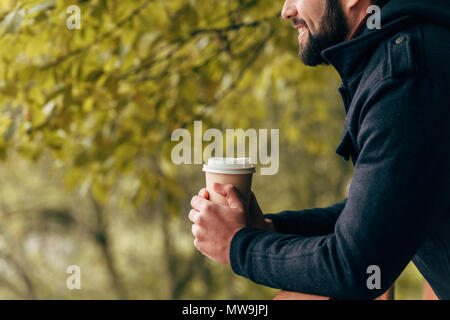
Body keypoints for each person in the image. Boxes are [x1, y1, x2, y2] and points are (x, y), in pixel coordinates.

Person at [188, 0, 450, 299]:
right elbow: (381, 209)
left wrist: (238, 246)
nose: (286, 11)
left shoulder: (406, 77)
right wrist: (272, 229)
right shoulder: (409, 54)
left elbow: (356, 267)